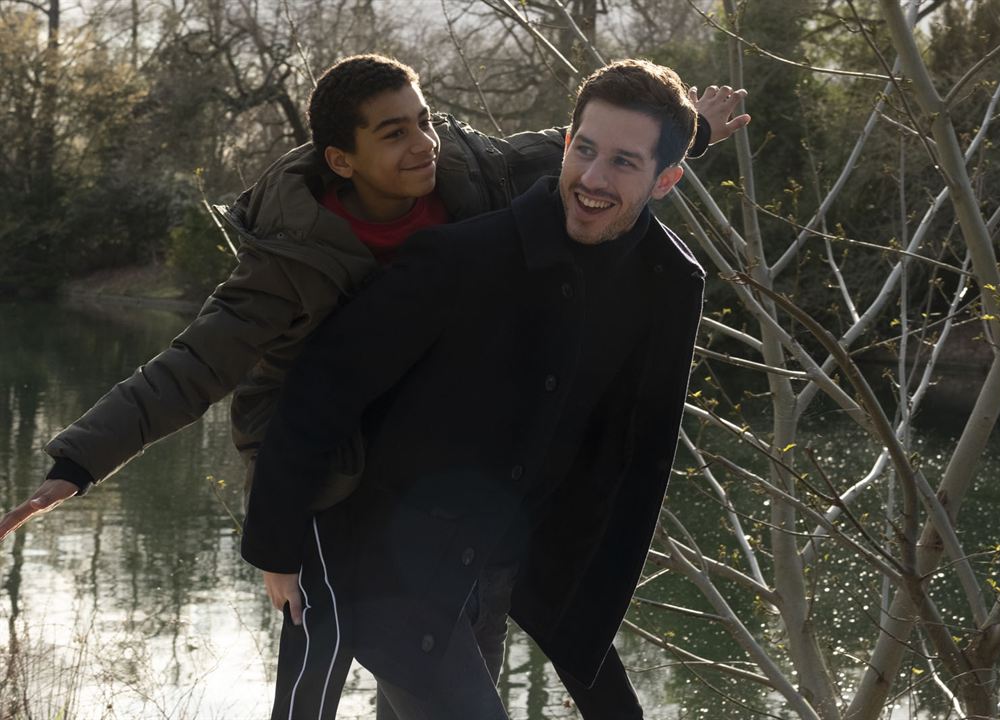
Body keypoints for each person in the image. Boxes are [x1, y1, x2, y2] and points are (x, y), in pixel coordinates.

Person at [0, 53, 748, 717]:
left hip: (458, 500)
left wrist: (694, 131)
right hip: (339, 476)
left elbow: (586, 153)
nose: (422, 144)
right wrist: (80, 461)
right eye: (393, 134)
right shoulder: (291, 260)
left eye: (424, 121)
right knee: (333, 663)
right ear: (342, 159)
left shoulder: (471, 174)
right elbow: (194, 368)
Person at [243, 58, 714, 719]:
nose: (592, 178)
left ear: (666, 179)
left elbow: (634, 455)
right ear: (565, 143)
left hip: (501, 571)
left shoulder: (667, 284)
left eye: (623, 162)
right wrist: (277, 546)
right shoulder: (458, 260)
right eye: (583, 149)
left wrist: (582, 595)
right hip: (389, 568)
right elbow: (322, 388)